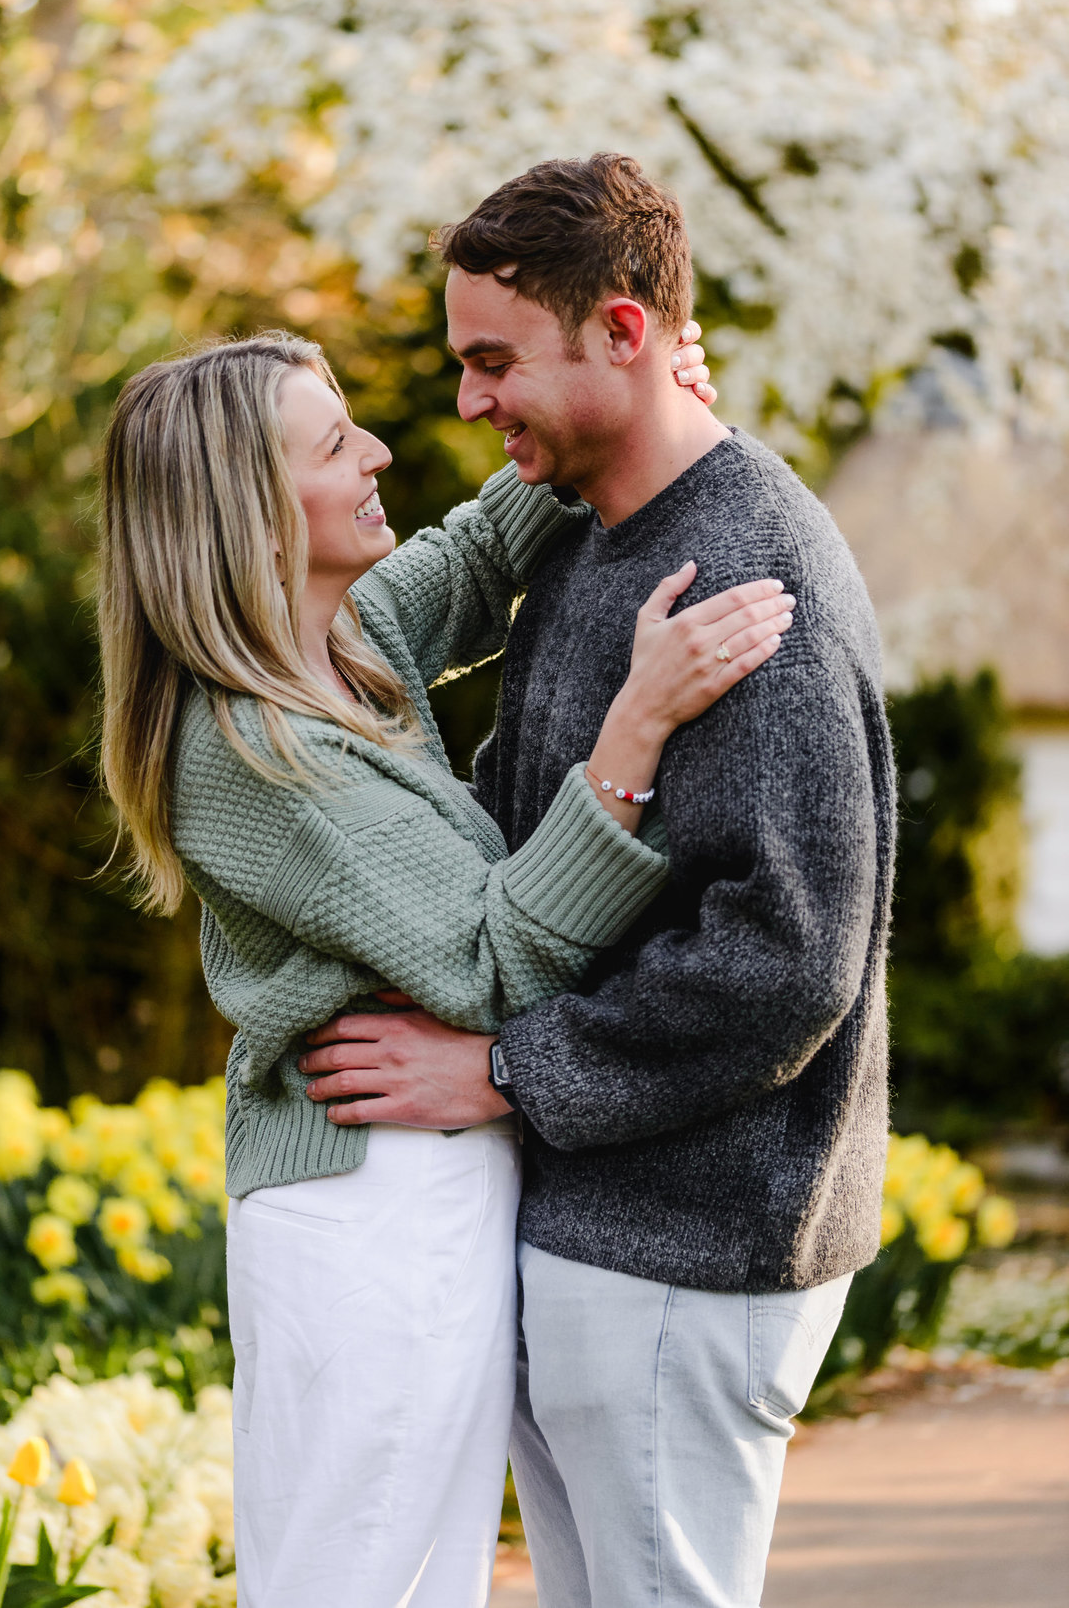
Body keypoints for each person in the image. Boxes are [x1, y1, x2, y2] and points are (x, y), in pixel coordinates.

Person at [95, 329, 792, 1608]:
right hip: (369, 1207)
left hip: (431, 1191)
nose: (380, 451)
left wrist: (633, 403)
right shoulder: (249, 749)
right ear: (255, 512)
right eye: (333, 444)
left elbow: (472, 560)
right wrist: (635, 726)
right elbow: (492, 953)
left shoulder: (340, 643)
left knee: (419, 1578)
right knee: (364, 1581)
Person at [298, 154, 897, 1608]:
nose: (465, 400)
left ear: (623, 335)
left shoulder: (752, 582)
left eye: (495, 359)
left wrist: (508, 1068)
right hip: (607, 1237)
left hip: (691, 1247)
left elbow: (785, 959)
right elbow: (516, 816)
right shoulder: (592, 541)